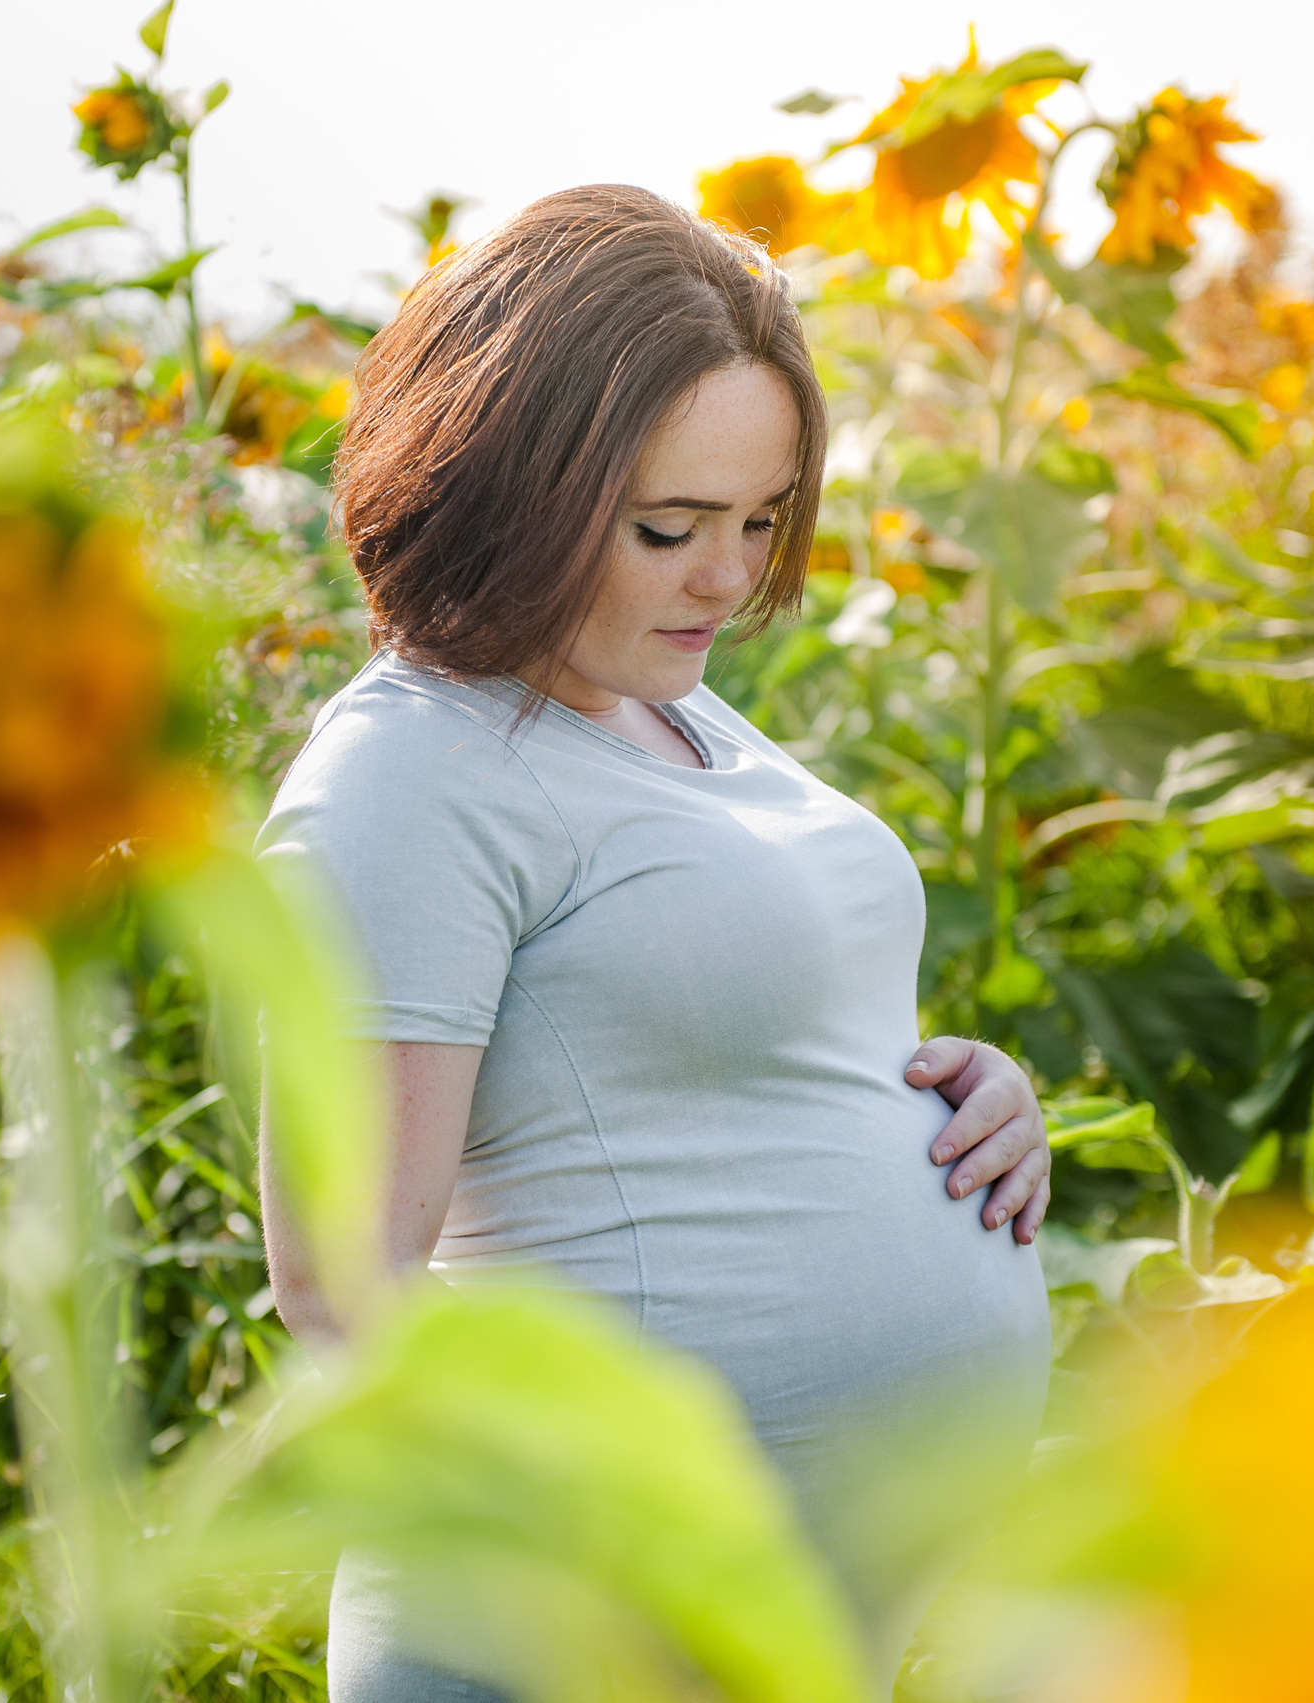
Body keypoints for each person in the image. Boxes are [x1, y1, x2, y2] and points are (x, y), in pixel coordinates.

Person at [255, 184, 1054, 1701]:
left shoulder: (664, 705)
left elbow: (743, 1043)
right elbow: (344, 1281)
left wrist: (967, 1097)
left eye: (760, 521)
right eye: (669, 527)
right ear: (503, 487)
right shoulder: (413, 774)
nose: (729, 578)